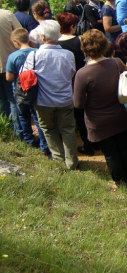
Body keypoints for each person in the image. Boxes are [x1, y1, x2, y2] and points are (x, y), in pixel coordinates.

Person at [74, 29, 127, 189]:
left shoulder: (83, 73)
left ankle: (122, 186)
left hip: (98, 120)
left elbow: (79, 104)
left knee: (111, 154)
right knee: (123, 149)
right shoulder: (117, 63)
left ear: (85, 48)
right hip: (119, 114)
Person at [23, 20, 78, 170]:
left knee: (48, 129)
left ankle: (58, 159)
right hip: (65, 98)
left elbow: (25, 75)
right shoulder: (68, 54)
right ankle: (72, 162)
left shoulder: (33, 56)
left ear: (42, 37)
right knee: (67, 129)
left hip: (42, 100)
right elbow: (71, 73)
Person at [6, 28, 49, 154]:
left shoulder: (13, 56)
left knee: (23, 116)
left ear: (16, 41)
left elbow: (9, 78)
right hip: (36, 90)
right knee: (37, 117)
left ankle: (29, 140)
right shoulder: (37, 52)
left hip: (20, 92)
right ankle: (44, 144)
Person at [57, 12, 92, 156]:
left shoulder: (57, 44)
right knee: (83, 115)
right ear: (72, 26)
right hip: (81, 79)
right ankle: (90, 144)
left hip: (64, 82)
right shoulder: (80, 41)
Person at [0, 4, 22, 135]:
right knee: (13, 98)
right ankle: (18, 131)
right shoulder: (7, 14)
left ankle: (6, 129)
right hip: (9, 62)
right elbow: (21, 33)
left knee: (2, 98)